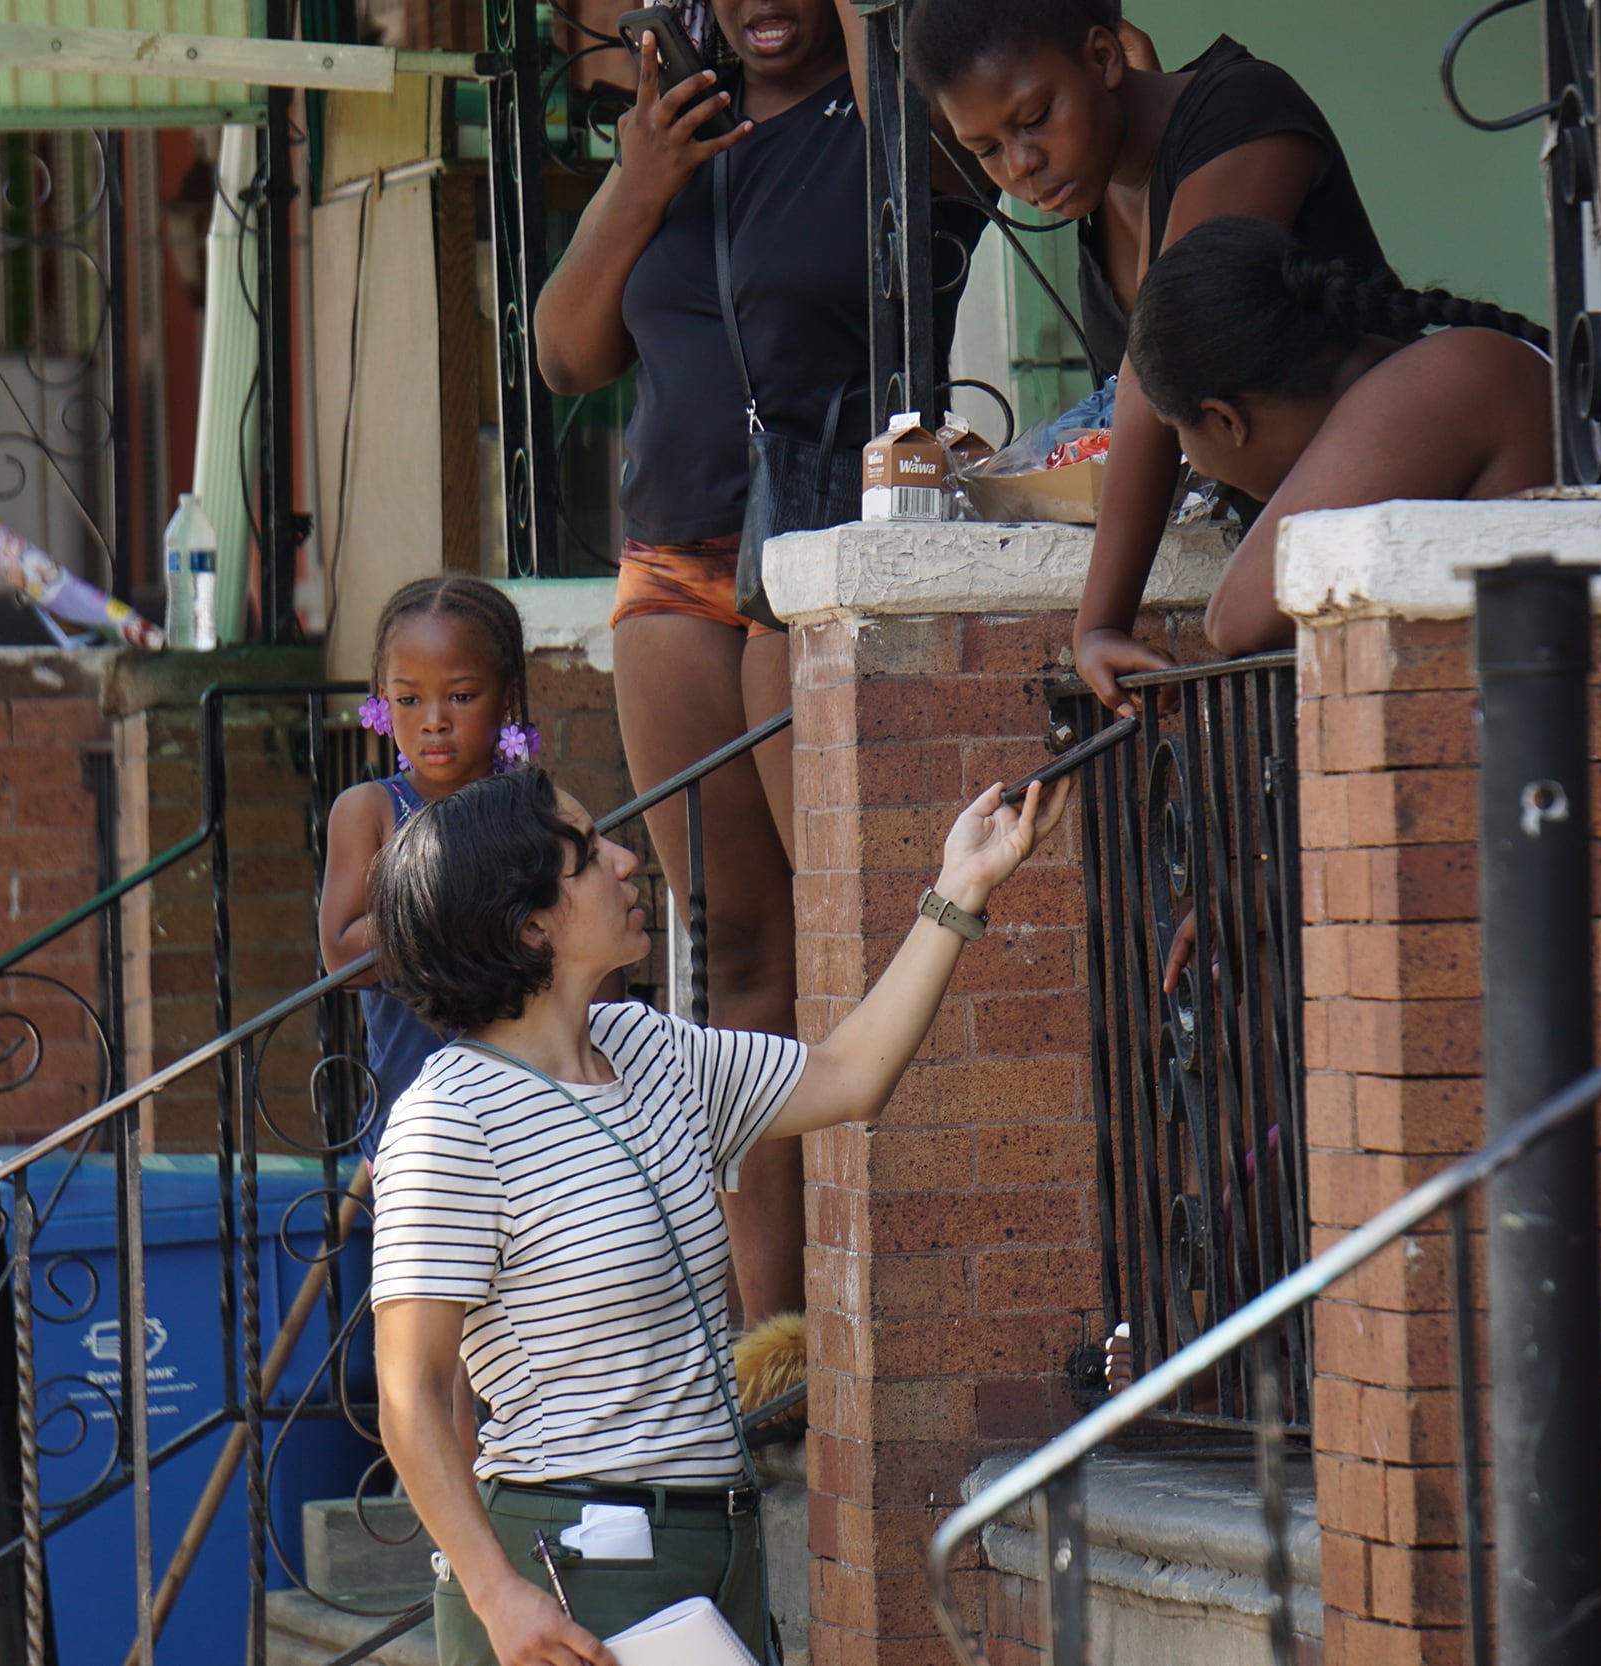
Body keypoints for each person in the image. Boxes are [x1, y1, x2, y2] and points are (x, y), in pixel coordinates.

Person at [367, 769, 1068, 1666]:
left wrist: (961, 888)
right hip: (566, 1573)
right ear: (529, 924)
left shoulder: (651, 1048)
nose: (628, 863)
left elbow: (851, 1074)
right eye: (587, 856)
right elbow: (410, 1398)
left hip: (719, 1549)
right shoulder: (448, 1120)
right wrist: (496, 1593)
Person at [533, 0, 978, 1331]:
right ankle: (769, 1338)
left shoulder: (892, 121)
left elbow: (939, 189)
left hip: (828, 549)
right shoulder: (682, 138)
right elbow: (566, 353)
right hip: (673, 563)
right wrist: (641, 179)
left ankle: (884, 1316)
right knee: (732, 954)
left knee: (842, 927)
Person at [905, 0, 1391, 716]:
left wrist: (1099, 622)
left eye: (1035, 117)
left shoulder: (1241, 112)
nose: (1022, 165)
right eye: (985, 150)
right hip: (1291, 546)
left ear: (1103, 59)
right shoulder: (1100, 195)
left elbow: (1149, 380)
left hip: (1389, 484)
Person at [1125, 217, 1555, 656]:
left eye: (1175, 429)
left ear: (1226, 421)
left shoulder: (1442, 378)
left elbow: (1238, 620)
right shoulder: (1437, 371)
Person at [318, 575, 541, 1163]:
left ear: (508, 695)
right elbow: (343, 956)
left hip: (535, 1111)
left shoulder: (536, 812)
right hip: (415, 1126)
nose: (434, 720)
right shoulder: (369, 812)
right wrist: (471, 908)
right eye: (409, 699)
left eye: (461, 696)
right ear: (382, 701)